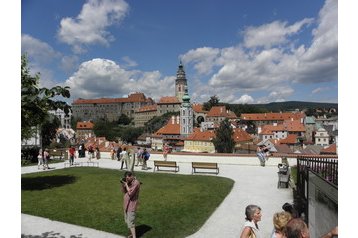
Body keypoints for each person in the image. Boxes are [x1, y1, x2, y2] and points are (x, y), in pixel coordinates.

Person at [121, 171, 141, 238]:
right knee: (128, 221)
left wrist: (126, 185)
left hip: (131, 205)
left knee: (131, 222)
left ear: (132, 176)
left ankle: (134, 236)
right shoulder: (129, 182)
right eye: (126, 177)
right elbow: (124, 191)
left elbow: (130, 193)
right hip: (126, 205)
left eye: (129, 176)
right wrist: (123, 185)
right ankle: (132, 234)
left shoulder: (136, 183)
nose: (128, 178)